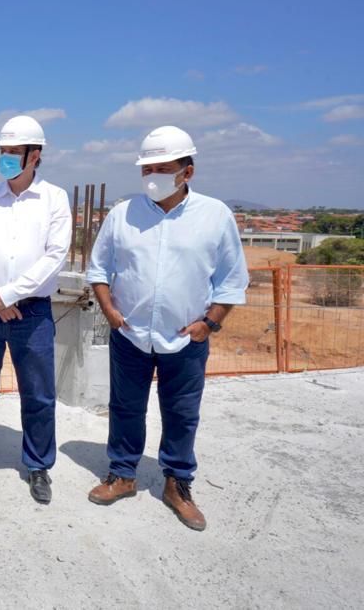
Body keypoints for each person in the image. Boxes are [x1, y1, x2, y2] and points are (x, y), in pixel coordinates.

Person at [85, 125, 249, 531]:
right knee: (125, 408)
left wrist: (209, 323)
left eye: (162, 168)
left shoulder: (215, 216)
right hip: (131, 334)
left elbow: (232, 280)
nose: (152, 176)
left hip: (186, 338)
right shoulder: (123, 214)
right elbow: (99, 269)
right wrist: (110, 311)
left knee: (182, 412)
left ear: (187, 172)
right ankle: (123, 474)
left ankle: (177, 484)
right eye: (147, 169)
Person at [0, 115, 71, 503]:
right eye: (3, 150)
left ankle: (38, 465)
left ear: (34, 155)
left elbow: (54, 256)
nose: (5, 157)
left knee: (38, 393)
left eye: (13, 151)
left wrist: (9, 295)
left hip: (32, 313)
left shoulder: (54, 199)